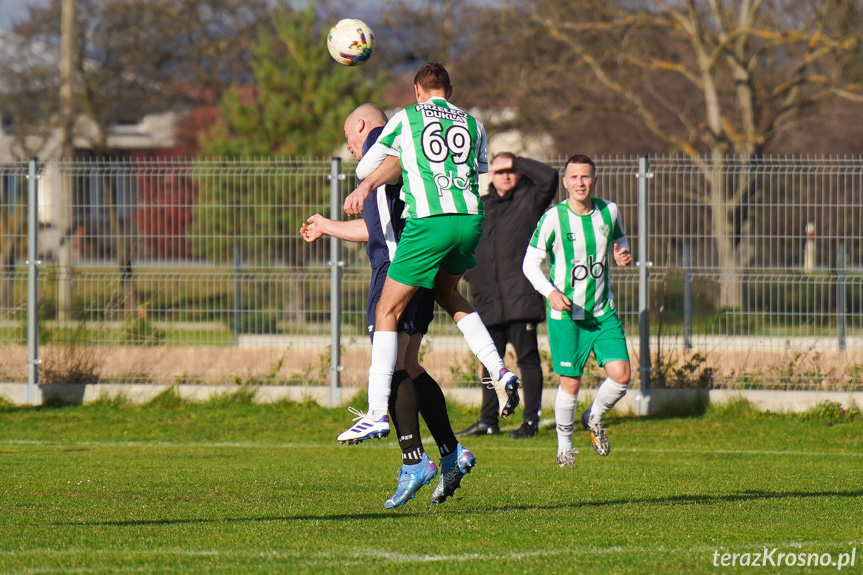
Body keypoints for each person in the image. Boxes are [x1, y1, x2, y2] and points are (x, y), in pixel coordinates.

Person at [339, 62, 522, 448]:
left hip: (430, 222)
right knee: (449, 294)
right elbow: (480, 171)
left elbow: (376, 164)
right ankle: (499, 370)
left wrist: (368, 181)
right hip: (470, 221)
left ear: (418, 91)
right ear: (449, 90)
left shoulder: (407, 118)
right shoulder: (474, 124)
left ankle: (375, 413)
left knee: (385, 312)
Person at [301, 103, 474, 509]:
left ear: (361, 126)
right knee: (408, 365)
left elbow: (392, 168)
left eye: (349, 142)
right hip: (412, 262)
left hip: (397, 269)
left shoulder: (381, 144)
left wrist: (363, 184)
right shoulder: (389, 161)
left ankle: (415, 458)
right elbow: (374, 228)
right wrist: (327, 226)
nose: (352, 152)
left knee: (394, 364)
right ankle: (450, 452)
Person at [522, 154, 632, 468]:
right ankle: (565, 448)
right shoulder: (553, 218)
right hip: (567, 315)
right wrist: (551, 292)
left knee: (621, 376)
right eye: (574, 178)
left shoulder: (609, 211)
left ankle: (593, 417)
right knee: (571, 382)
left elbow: (620, 239)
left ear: (593, 180)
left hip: (602, 312)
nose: (580, 183)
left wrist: (623, 253)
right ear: (566, 182)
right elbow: (529, 264)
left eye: (585, 177)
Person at [458, 152, 558, 439]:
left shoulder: (529, 200)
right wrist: (470, 276)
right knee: (490, 363)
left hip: (521, 300)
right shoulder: (480, 206)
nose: (504, 175)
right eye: (498, 170)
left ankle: (530, 422)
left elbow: (549, 178)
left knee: (527, 360)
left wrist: (515, 160)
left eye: (509, 170)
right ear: (490, 174)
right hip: (487, 301)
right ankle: (488, 420)